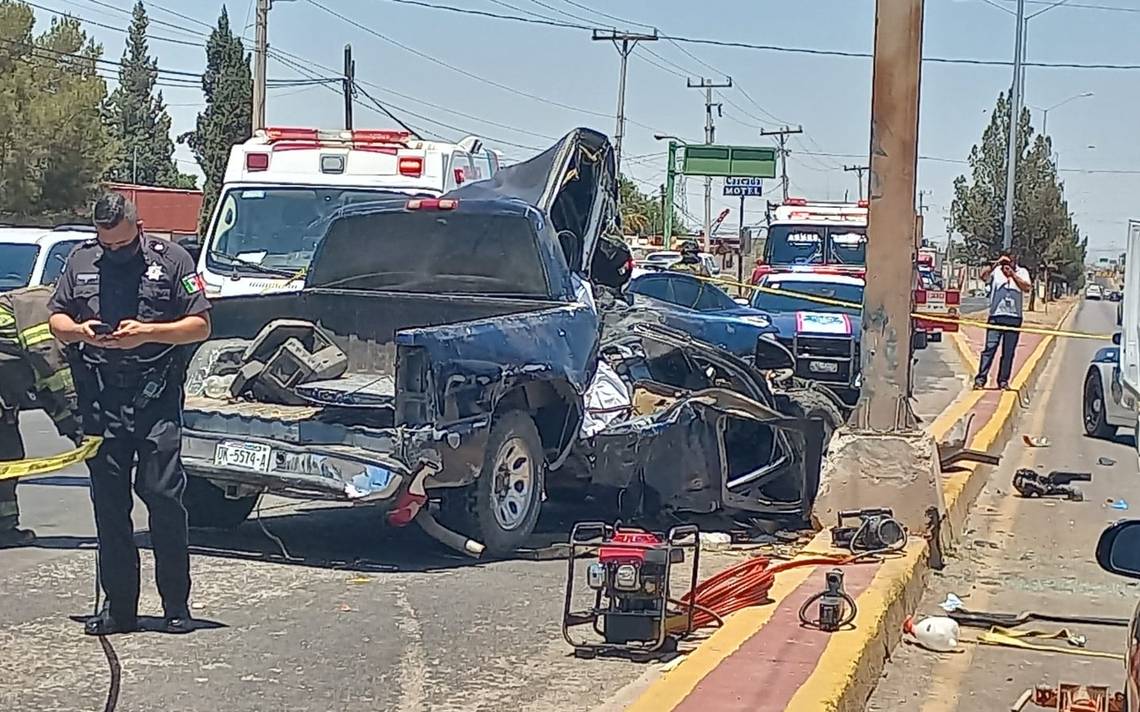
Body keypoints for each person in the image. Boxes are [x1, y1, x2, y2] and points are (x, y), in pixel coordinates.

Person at [48, 194, 212, 635]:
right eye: (107, 245)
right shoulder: (81, 261)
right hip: (101, 400)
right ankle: (120, 609)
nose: (114, 252)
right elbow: (56, 319)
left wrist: (148, 334)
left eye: (122, 245)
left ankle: (176, 605)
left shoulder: (172, 259)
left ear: (138, 230)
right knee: (109, 505)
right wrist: (81, 331)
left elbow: (201, 325)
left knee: (163, 497)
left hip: (154, 397)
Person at [0, 286, 83, 548]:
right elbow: (55, 373)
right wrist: (82, 426)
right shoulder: (41, 305)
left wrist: (75, 431)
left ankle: (4, 528)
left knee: (9, 453)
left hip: (5, 396)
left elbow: (46, 389)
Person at [974, 249, 1032, 390]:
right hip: (996, 316)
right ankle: (981, 379)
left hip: (1014, 317)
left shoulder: (1022, 272)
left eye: (1010, 260)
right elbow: (983, 276)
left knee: (1008, 352)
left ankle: (1003, 381)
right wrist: (996, 264)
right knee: (990, 348)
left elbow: (1027, 288)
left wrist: (1012, 275)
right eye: (1006, 260)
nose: (1008, 263)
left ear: (1015, 259)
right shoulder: (996, 272)